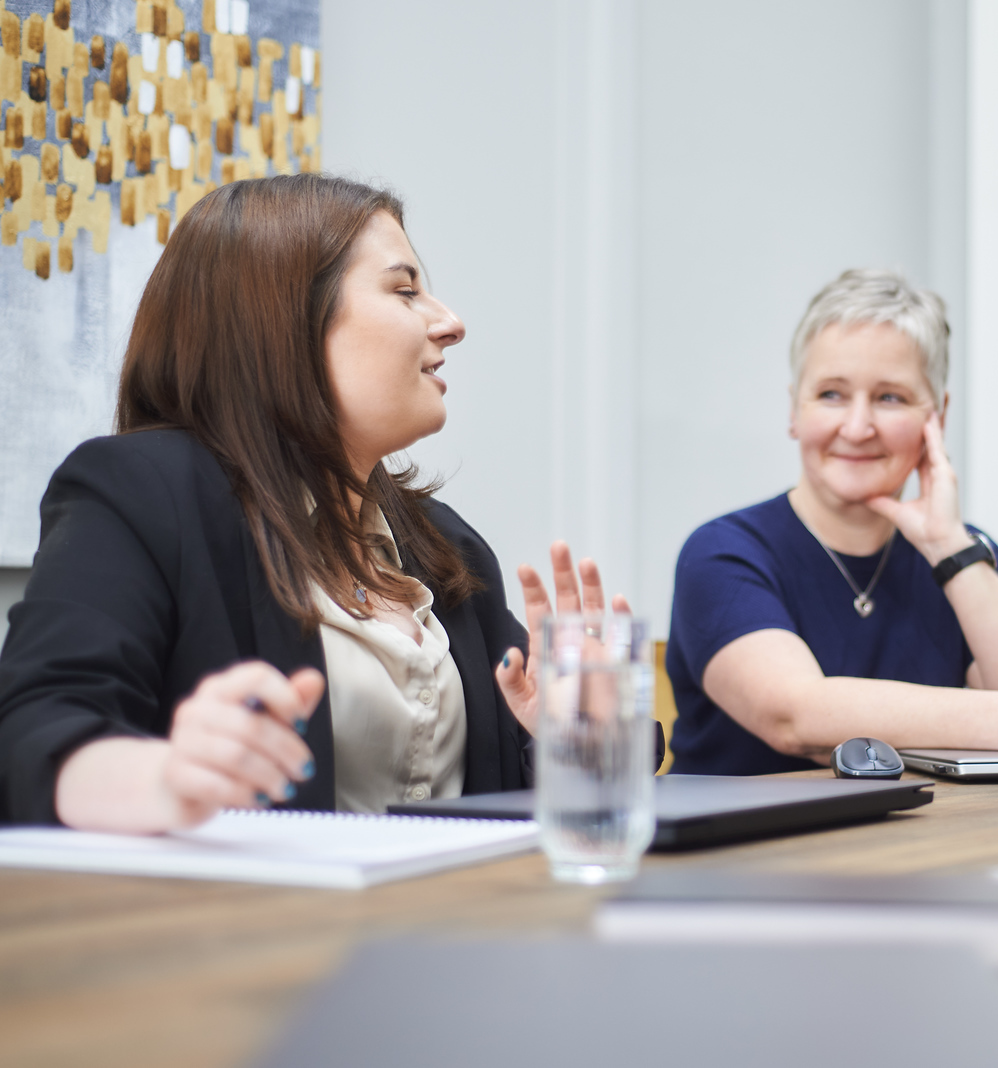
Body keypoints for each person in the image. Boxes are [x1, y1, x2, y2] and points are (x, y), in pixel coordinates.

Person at [0, 174, 643, 831]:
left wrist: (578, 737)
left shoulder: (444, 546)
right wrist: (165, 776)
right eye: (404, 290)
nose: (451, 323)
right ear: (284, 322)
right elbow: (33, 734)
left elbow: (523, 797)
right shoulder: (138, 493)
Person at [665, 269, 998, 775]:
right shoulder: (722, 552)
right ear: (795, 409)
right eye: (831, 394)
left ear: (937, 418)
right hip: (744, 850)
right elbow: (796, 715)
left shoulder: (963, 555)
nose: (857, 428)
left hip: (917, 843)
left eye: (890, 398)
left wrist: (950, 548)